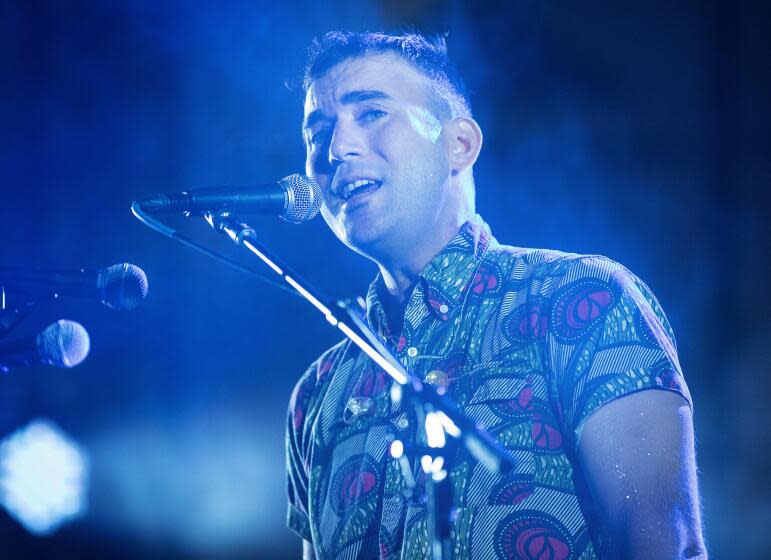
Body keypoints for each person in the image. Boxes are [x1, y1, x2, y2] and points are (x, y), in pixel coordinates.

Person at [286, 31, 706, 560]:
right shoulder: (319, 393)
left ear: (459, 144)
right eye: (317, 132)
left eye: (370, 113)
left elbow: (664, 545)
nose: (335, 149)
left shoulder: (581, 301)